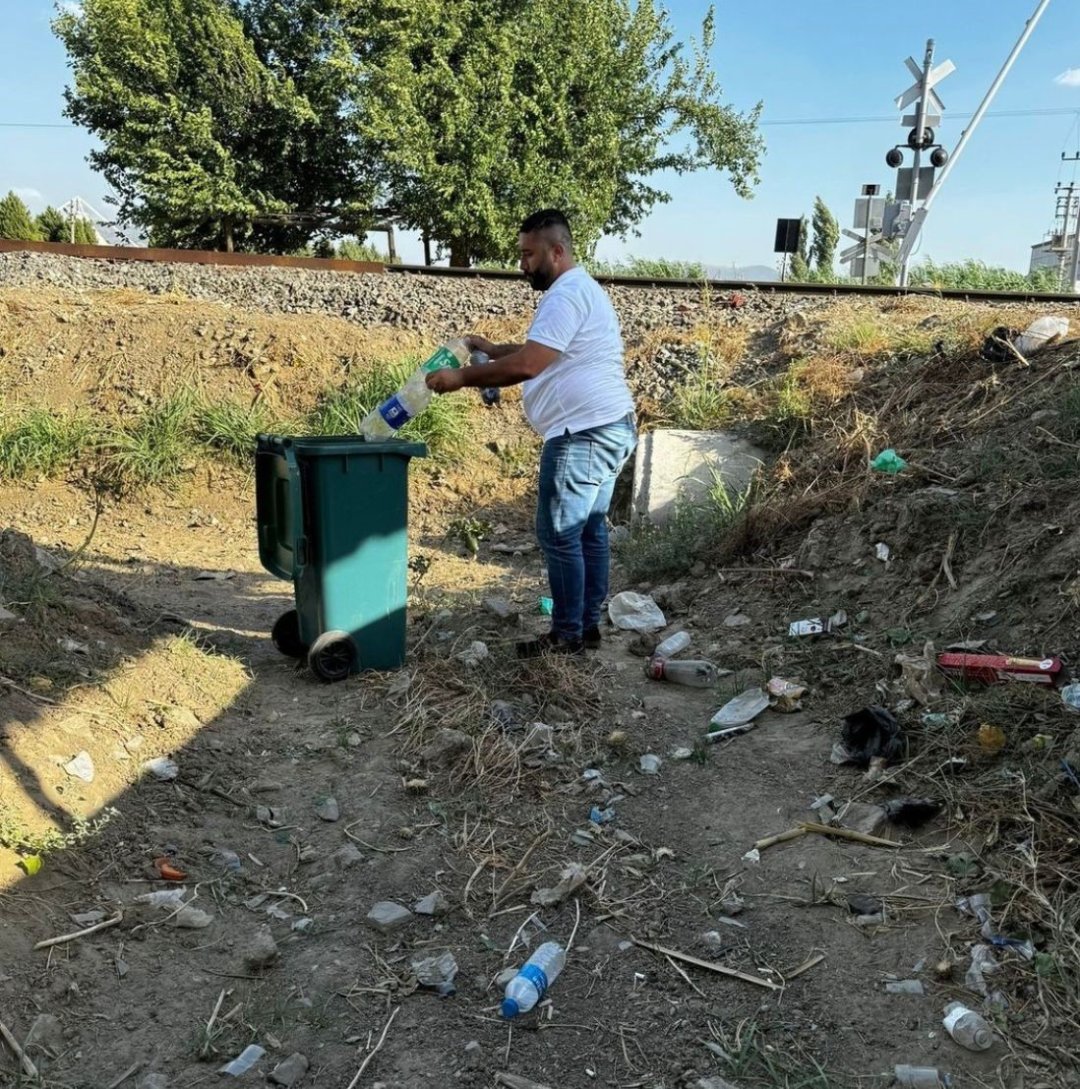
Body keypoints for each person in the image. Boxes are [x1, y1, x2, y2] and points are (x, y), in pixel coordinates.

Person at [426, 209, 637, 658]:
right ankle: (585, 626)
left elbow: (528, 365)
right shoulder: (582, 290)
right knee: (588, 532)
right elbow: (538, 350)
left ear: (556, 251)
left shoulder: (564, 294)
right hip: (609, 426)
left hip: (581, 434)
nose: (522, 264)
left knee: (561, 534)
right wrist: (491, 348)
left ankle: (566, 637)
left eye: (528, 254)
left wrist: (460, 378)